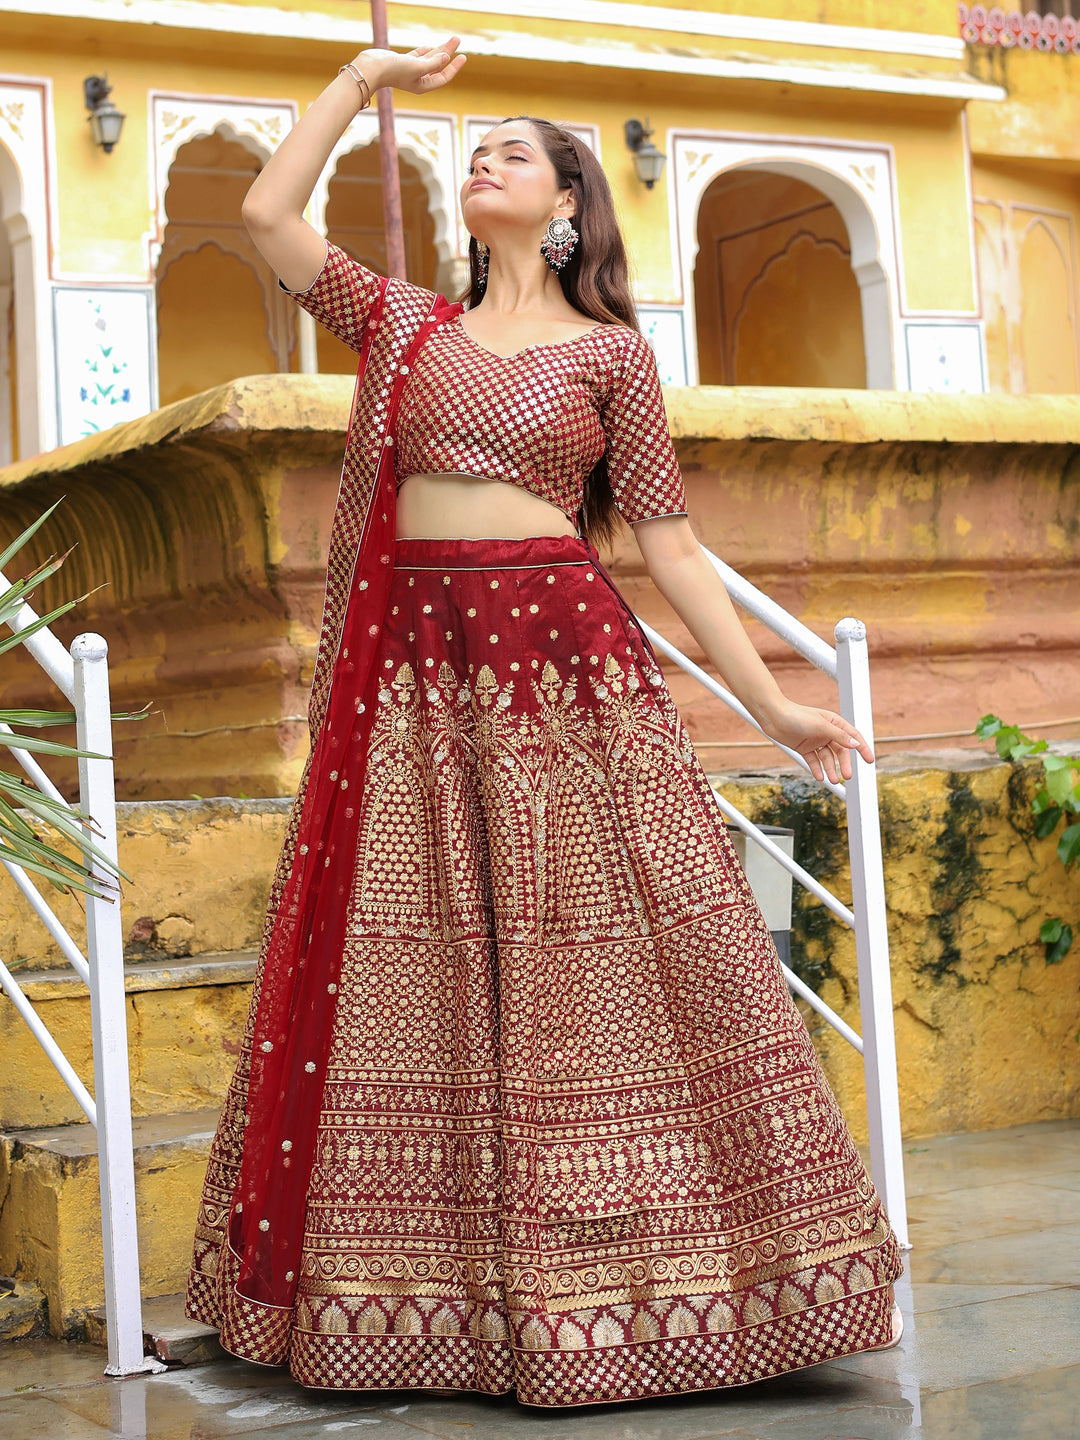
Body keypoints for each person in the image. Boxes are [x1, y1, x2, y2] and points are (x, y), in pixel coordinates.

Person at [185, 36, 904, 1409]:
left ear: (571, 200)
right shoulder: (408, 326)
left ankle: (663, 1290)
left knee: (594, 959)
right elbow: (269, 221)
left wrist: (779, 709)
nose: (485, 161)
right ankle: (428, 1299)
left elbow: (671, 553)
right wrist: (361, 80)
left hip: (560, 677)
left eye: (514, 149)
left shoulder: (613, 357)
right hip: (416, 682)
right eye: (476, 151)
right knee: (418, 971)